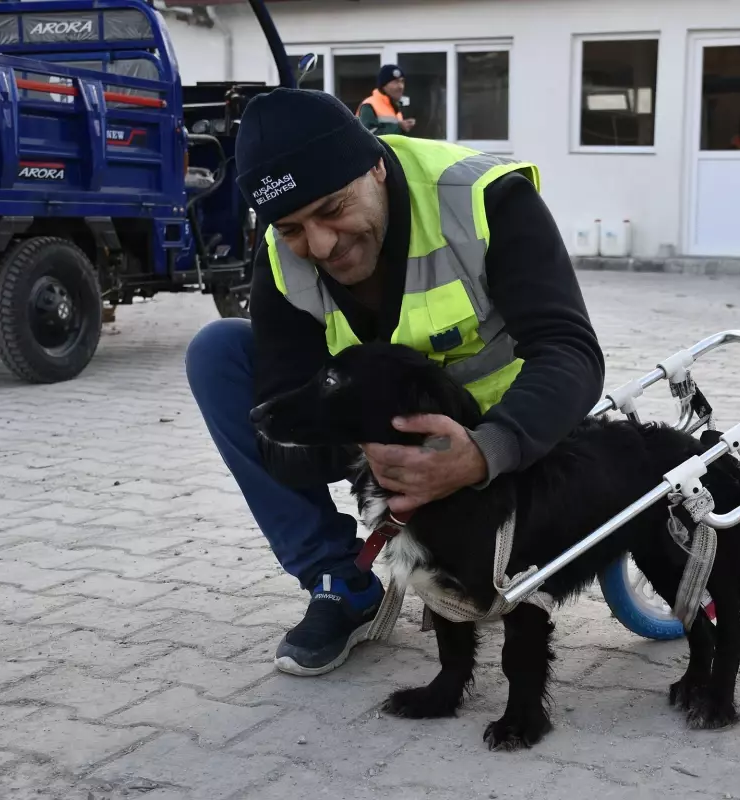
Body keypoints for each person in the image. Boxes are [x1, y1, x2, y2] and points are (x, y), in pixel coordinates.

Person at [185, 88, 604, 677]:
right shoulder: (282, 260)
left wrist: (486, 452)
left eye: (333, 209)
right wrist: (375, 452)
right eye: (293, 227)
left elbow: (571, 352)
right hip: (379, 443)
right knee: (218, 353)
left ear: (377, 165)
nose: (322, 245)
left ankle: (468, 551)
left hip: (511, 437)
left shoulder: (483, 199)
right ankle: (341, 581)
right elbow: (281, 430)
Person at [357, 64, 415, 136]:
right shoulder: (369, 105)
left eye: (402, 81)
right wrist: (399, 127)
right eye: (395, 82)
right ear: (383, 86)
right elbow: (367, 136)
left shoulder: (395, 107)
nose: (401, 86)